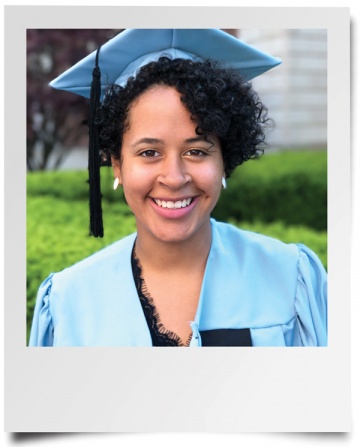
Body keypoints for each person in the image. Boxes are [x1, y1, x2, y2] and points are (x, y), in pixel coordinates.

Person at [29, 29, 327, 347]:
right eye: (149, 153)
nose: (174, 177)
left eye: (196, 151)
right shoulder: (68, 302)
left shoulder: (291, 278)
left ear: (225, 159)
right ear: (116, 164)